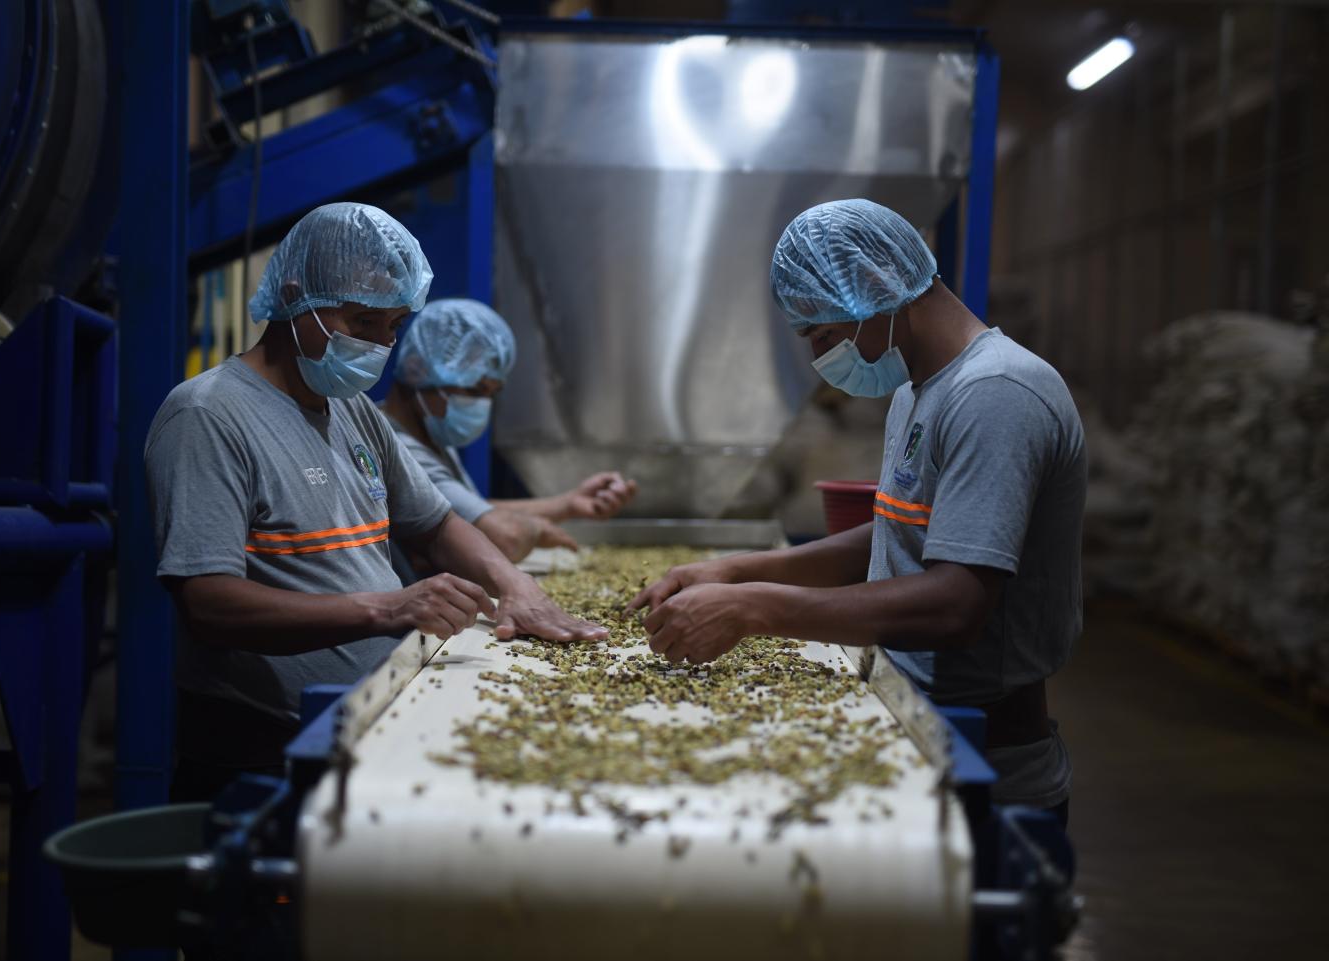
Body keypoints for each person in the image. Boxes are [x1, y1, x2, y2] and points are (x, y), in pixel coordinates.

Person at [629, 199, 1085, 819]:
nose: (824, 359)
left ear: (875, 288)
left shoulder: (995, 394)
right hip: (910, 714)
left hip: (985, 763)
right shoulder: (921, 389)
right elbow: (900, 532)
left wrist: (753, 608)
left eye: (824, 335)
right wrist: (739, 571)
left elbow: (957, 605)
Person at [146, 203, 605, 802]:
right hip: (264, 747)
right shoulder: (208, 415)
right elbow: (207, 604)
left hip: (373, 716)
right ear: (294, 297)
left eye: (390, 326)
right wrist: (388, 609)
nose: (378, 343)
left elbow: (436, 521)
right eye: (361, 320)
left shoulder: (353, 411)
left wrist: (514, 584)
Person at [381, 298, 638, 564]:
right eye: (475, 390)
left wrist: (569, 504)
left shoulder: (429, 432)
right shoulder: (400, 448)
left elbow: (467, 509)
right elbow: (503, 536)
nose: (482, 405)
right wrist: (535, 528)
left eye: (492, 394)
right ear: (416, 370)